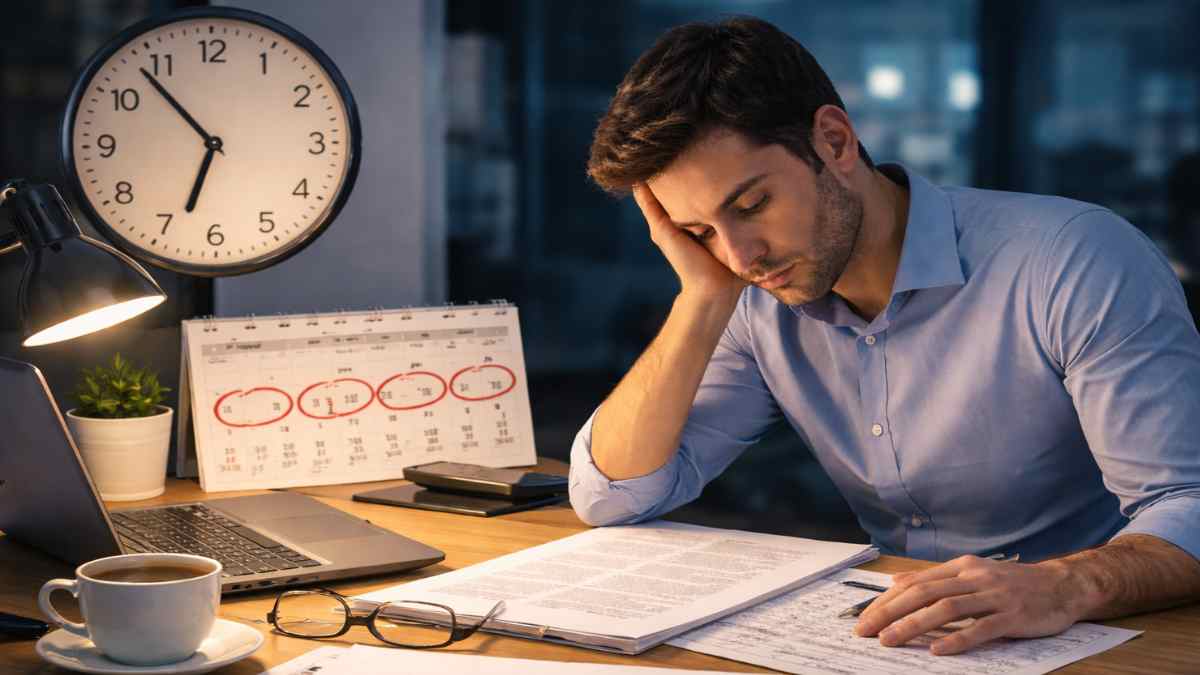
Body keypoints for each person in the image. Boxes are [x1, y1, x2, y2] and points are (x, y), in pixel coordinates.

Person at [569, 16, 1200, 656]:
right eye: (699, 232)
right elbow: (613, 494)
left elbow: (1189, 503)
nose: (739, 255)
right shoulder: (751, 296)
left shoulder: (1072, 259)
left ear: (835, 142)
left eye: (752, 205)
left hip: (1103, 638)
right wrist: (701, 298)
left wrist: (1065, 584)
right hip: (898, 644)